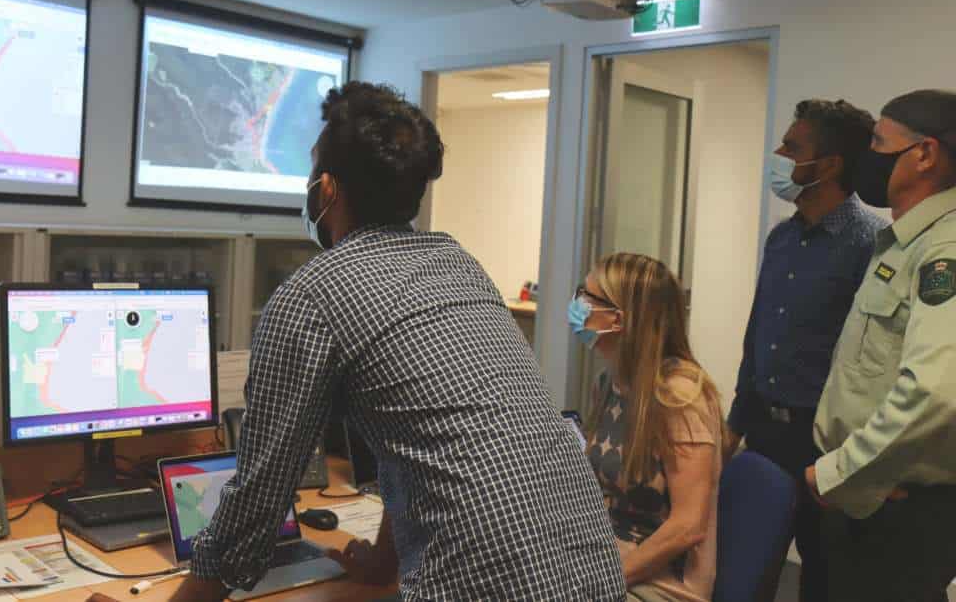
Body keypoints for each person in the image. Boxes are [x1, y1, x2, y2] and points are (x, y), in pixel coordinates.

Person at [169, 82, 626, 601]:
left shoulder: (314, 293)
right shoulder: (458, 265)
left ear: (326, 190)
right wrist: (383, 563)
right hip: (596, 575)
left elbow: (258, 500)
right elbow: (423, 445)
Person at [726, 99, 885, 601]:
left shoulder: (871, 244)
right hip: (764, 432)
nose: (778, 154)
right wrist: (735, 424)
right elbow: (758, 335)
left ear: (829, 165)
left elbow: (871, 360)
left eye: (791, 147)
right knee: (744, 570)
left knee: (823, 579)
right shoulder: (781, 238)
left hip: (825, 442)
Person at [807, 89, 956, 602]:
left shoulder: (944, 249)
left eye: (877, 141)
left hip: (897, 509)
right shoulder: (905, 240)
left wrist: (840, 472)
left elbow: (935, 392)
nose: (866, 156)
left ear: (925, 154)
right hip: (866, 497)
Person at [572, 253, 724, 602]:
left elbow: (687, 527)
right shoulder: (609, 382)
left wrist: (603, 580)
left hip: (660, 584)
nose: (578, 305)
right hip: (606, 557)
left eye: (588, 298)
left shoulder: (680, 396)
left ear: (621, 319)